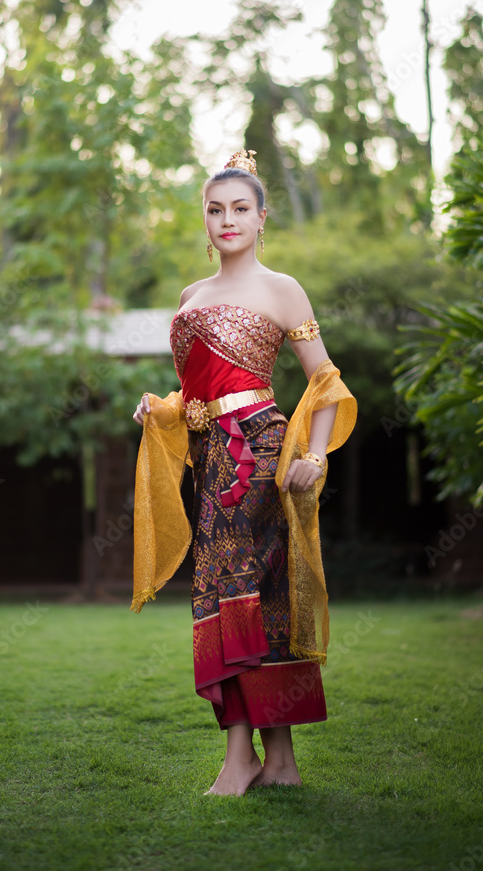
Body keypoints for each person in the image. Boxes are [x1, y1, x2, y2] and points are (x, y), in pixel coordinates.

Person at [131, 149, 357, 797]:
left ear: (260, 218)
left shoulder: (281, 288)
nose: (226, 219)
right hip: (208, 459)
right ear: (203, 219)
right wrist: (162, 408)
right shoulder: (189, 296)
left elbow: (326, 380)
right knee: (250, 596)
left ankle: (240, 760)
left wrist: (312, 457)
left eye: (239, 208)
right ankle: (277, 762)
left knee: (235, 592)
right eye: (214, 209)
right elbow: (194, 393)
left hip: (258, 453)